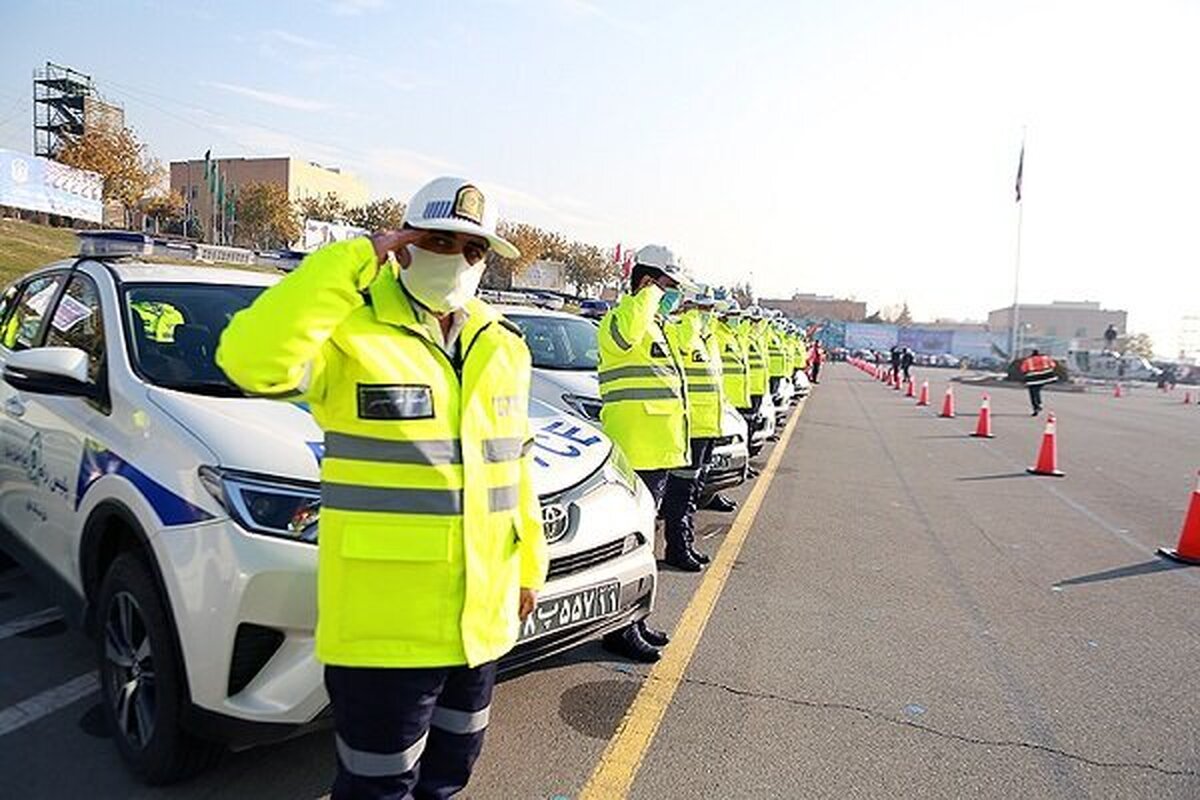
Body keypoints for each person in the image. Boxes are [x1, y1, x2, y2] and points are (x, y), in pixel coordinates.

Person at [216, 176, 549, 800]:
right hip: (384, 629)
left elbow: (515, 467)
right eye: (441, 241)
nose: (460, 261)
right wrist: (353, 258)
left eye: (474, 251)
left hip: (481, 622)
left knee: (450, 774)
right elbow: (249, 359)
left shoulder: (504, 344)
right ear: (403, 245)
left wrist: (529, 565)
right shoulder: (350, 332)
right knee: (377, 788)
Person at [595, 244, 692, 662]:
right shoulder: (622, 319)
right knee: (632, 544)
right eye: (668, 286)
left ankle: (633, 620)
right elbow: (621, 338)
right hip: (636, 449)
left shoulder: (656, 324)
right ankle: (620, 628)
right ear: (648, 281)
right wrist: (649, 295)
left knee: (643, 543)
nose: (672, 295)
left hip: (658, 450)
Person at [663, 286, 724, 567]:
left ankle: (686, 542)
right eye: (703, 309)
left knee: (695, 490)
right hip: (691, 426)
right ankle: (676, 549)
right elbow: (684, 344)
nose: (708, 314)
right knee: (682, 491)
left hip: (707, 426)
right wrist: (689, 317)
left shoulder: (708, 338)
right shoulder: (681, 332)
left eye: (710, 309)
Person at [1019, 348, 1057, 415]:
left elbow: (1023, 369)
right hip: (1043, 378)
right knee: (1037, 391)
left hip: (1032, 379)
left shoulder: (1027, 360)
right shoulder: (1045, 358)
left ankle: (1036, 406)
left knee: (1033, 393)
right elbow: (1053, 365)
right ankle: (1039, 404)